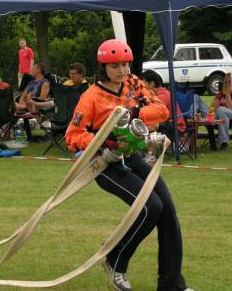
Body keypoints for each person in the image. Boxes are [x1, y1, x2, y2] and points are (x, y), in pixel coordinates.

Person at [66, 39, 192, 291]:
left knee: (168, 212)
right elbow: (72, 136)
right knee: (150, 207)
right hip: (105, 163)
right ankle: (115, 260)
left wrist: (133, 114)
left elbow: (160, 110)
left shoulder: (133, 84)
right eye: (115, 66)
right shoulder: (90, 97)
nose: (122, 70)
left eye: (125, 64)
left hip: (133, 156)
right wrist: (104, 141)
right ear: (103, 67)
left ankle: (171, 285)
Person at [140, 69, 186, 137]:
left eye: (144, 84)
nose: (142, 87)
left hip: (176, 127)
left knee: (148, 126)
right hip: (168, 123)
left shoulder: (162, 96)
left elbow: (151, 114)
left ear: (152, 83)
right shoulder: (160, 93)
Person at [211, 73, 232, 150]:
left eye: (230, 82)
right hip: (218, 118)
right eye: (226, 82)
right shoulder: (220, 94)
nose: (228, 84)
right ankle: (223, 143)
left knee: (221, 110)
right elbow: (212, 107)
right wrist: (221, 95)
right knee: (220, 111)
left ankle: (224, 142)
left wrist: (228, 95)